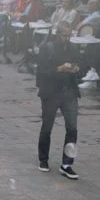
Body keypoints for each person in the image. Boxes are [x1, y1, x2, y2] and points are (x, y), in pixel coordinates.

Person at [36, 22, 82, 179]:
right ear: (57, 34)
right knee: (47, 126)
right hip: (51, 93)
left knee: (72, 128)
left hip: (69, 92)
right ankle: (43, 159)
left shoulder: (73, 48)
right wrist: (59, 69)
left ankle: (67, 164)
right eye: (64, 35)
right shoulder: (47, 48)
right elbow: (41, 71)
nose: (67, 38)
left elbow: (79, 65)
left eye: (70, 35)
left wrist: (76, 69)